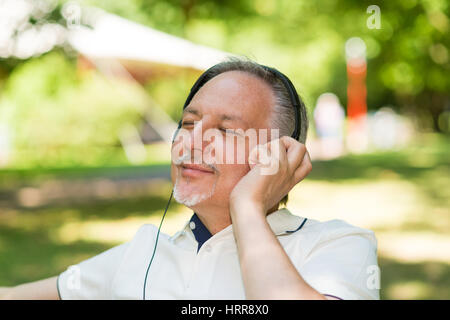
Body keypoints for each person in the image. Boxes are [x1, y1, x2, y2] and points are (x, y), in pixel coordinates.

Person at [0, 58, 379, 300]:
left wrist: (246, 207)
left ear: (279, 154)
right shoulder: (142, 255)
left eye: (226, 130)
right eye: (188, 123)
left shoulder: (337, 246)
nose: (192, 143)